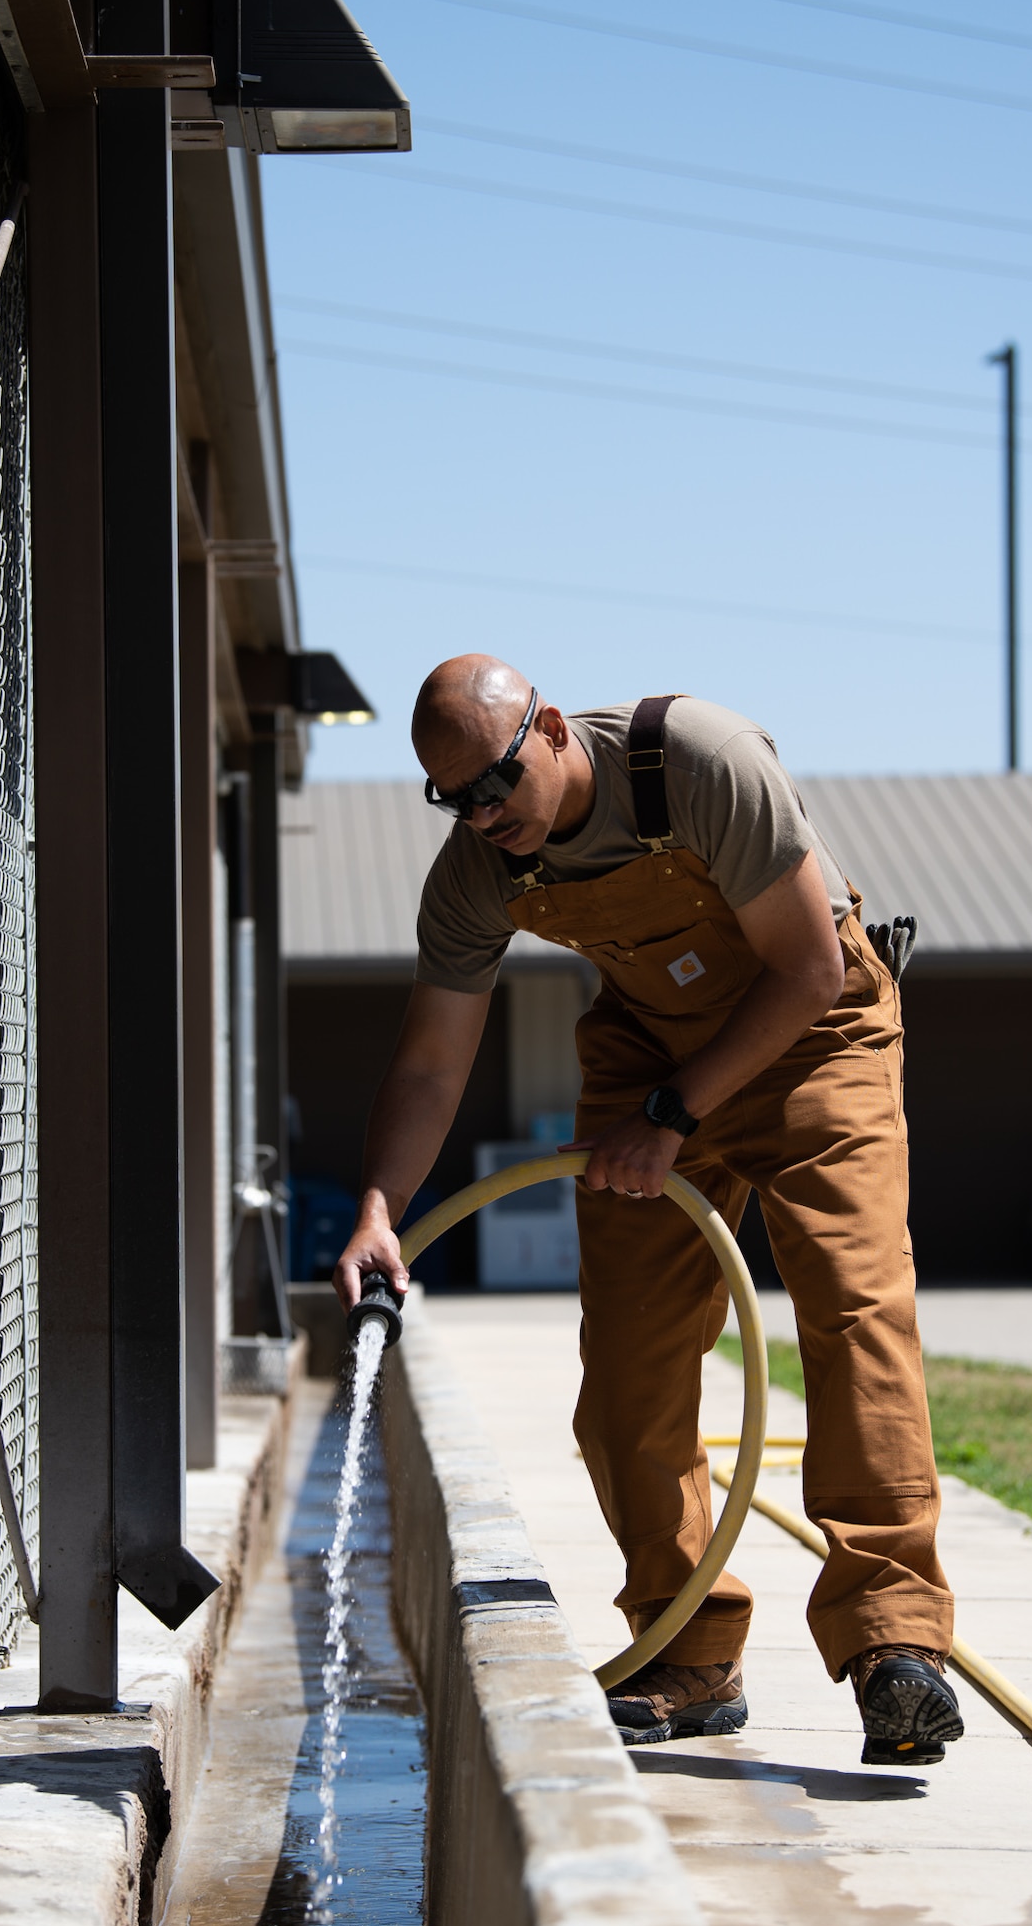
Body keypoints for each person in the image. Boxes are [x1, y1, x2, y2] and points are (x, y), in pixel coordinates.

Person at [335, 654, 963, 1767]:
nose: (483, 816)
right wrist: (379, 1208)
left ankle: (894, 1642)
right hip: (650, 1055)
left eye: (496, 783)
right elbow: (431, 1065)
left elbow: (810, 965)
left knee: (855, 1312)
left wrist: (673, 1113)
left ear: (554, 731)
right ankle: (688, 1647)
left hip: (818, 1033)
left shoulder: (697, 763)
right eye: (455, 800)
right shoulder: (479, 873)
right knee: (628, 1363)